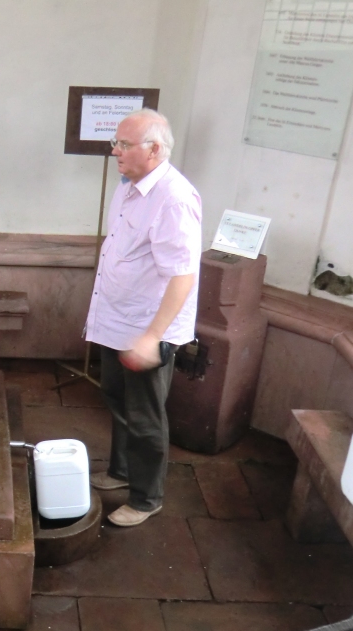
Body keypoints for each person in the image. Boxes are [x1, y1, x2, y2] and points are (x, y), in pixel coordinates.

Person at [85, 108, 202, 527]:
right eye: (114, 142)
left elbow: (182, 276)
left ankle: (147, 497)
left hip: (146, 329)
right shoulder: (129, 185)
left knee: (145, 416)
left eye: (123, 144)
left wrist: (152, 337)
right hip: (116, 320)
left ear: (154, 149)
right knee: (116, 400)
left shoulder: (173, 198)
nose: (114, 150)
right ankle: (120, 471)